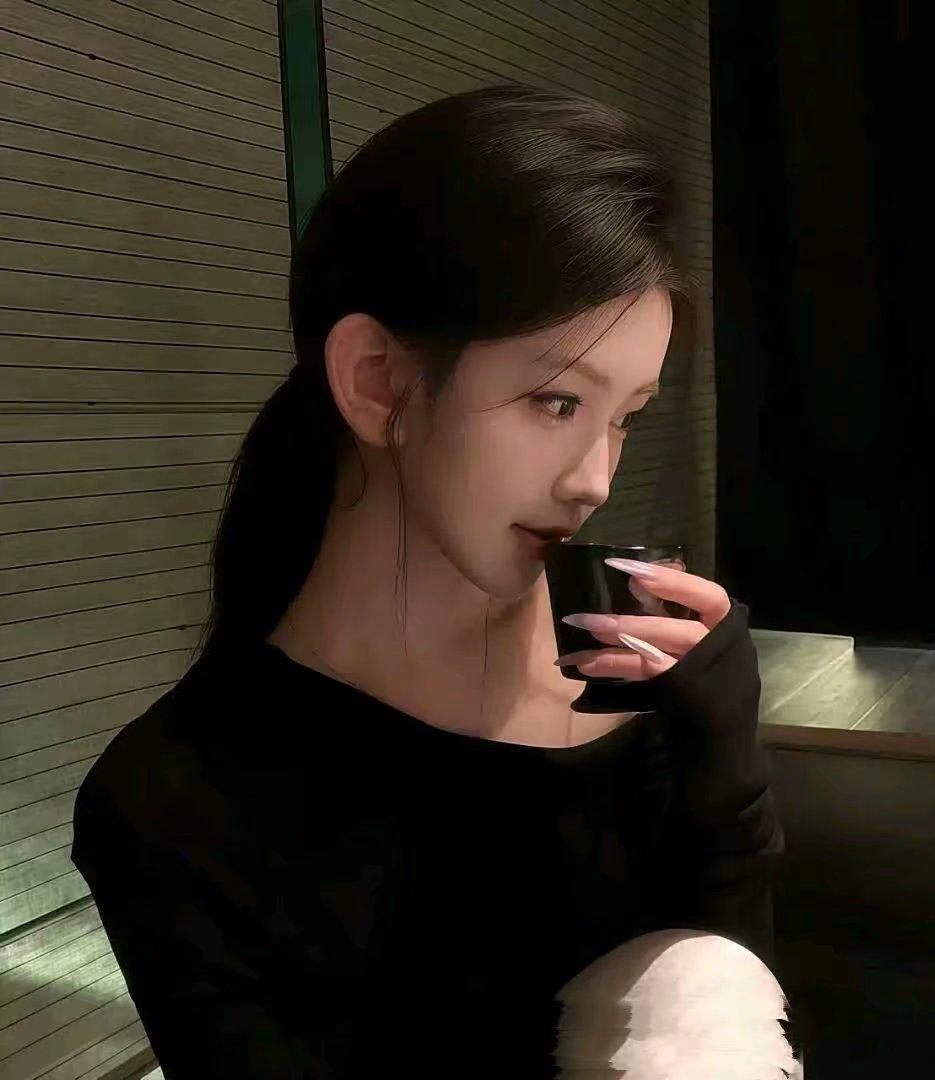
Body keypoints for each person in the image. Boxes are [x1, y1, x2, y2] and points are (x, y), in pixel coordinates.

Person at [70, 83, 791, 1078]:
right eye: (557, 401)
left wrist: (729, 781)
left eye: (624, 416)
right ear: (377, 380)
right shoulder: (175, 805)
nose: (595, 479)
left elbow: (734, 1025)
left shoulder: (640, 680)